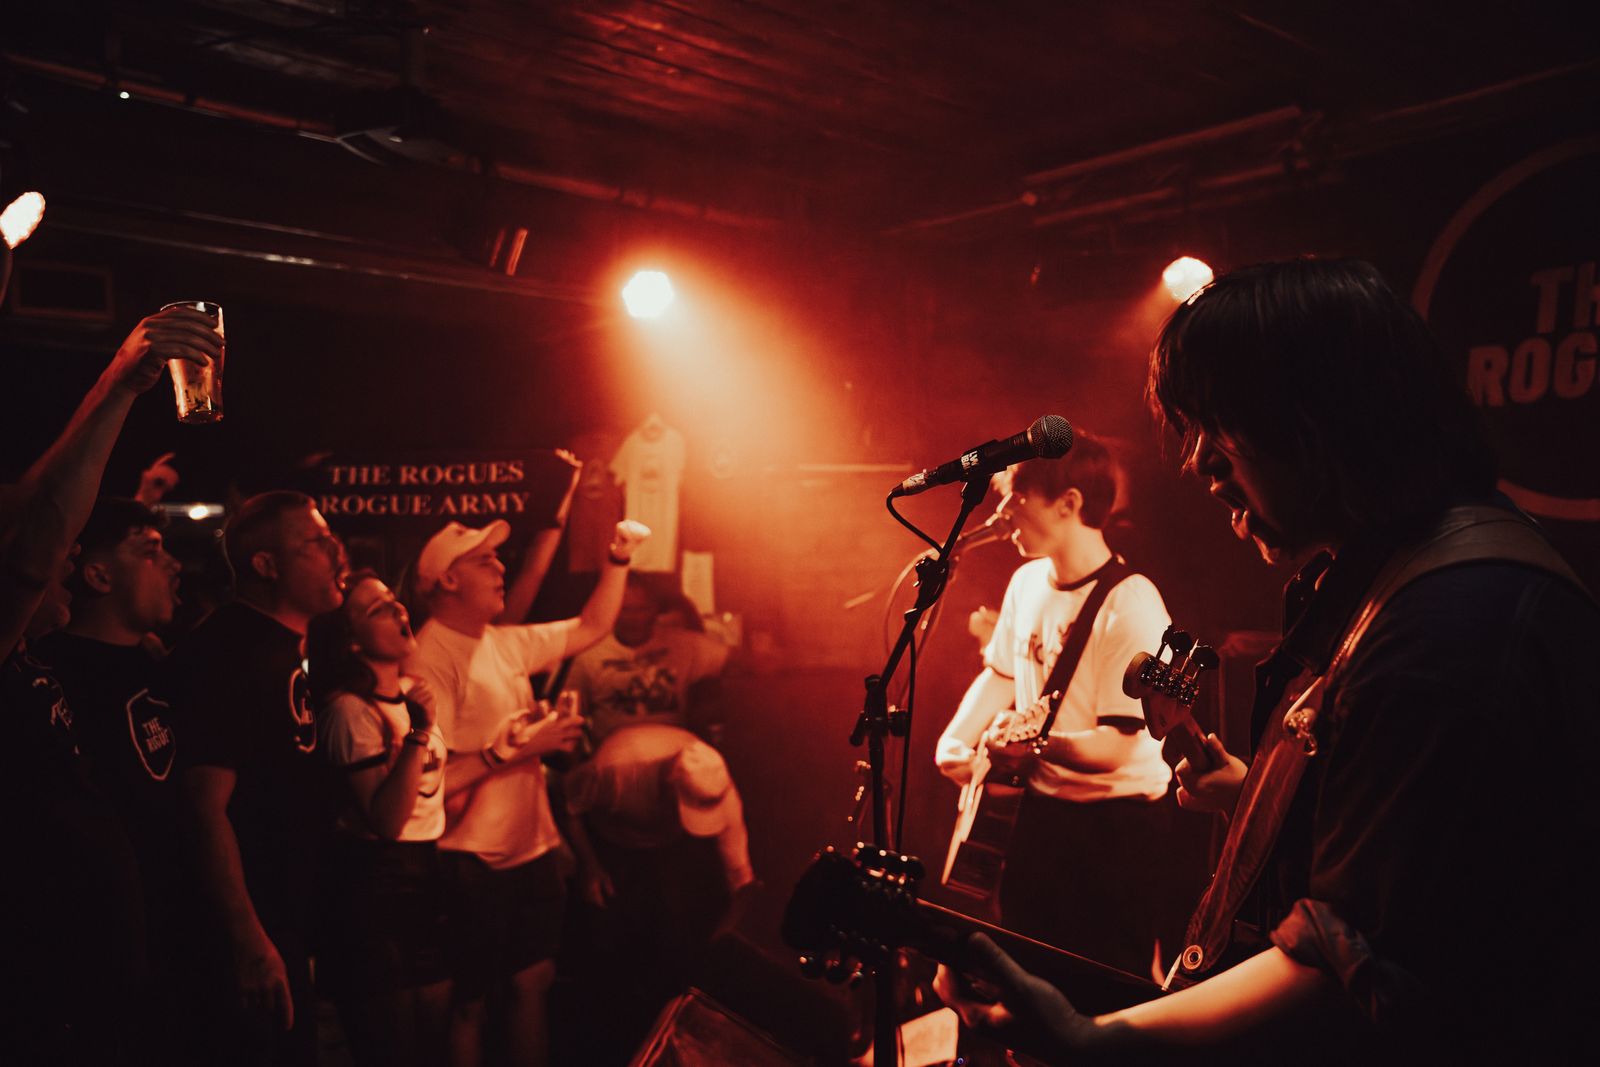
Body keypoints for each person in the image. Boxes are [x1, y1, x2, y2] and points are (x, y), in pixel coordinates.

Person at [934, 258, 1600, 1063]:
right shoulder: (1399, 581)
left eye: (1221, 428)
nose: (1200, 466)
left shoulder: (1453, 626)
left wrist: (1095, 1041)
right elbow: (1416, 852)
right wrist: (1249, 791)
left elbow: (1350, 960)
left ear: (1324, 419)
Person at [0, 300, 220, 1063]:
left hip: (109, 980)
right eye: (64, 555)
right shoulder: (23, 649)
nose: (65, 559)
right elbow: (37, 533)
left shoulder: (43, 660)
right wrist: (118, 384)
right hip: (48, 996)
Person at [405, 515, 648, 1067]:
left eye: (497, 557)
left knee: (532, 982)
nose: (500, 568)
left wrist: (618, 557)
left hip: (530, 850)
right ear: (447, 580)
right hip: (472, 860)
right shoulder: (430, 659)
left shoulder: (500, 642)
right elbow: (428, 783)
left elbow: (591, 627)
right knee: (470, 1003)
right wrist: (519, 747)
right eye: (483, 560)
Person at [934, 434, 1174, 977]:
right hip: (1038, 809)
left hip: (1115, 824)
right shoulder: (1025, 583)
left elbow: (1116, 748)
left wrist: (1029, 744)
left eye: (1016, 498)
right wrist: (955, 740)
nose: (1002, 514)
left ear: (1068, 503)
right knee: (1026, 971)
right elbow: (1002, 673)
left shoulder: (1130, 602)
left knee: (1104, 983)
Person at [164, 490, 347, 1066]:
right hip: (241, 940)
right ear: (266, 565)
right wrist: (248, 939)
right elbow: (204, 806)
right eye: (317, 542)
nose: (336, 553)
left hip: (278, 926)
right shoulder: (229, 652)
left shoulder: (277, 648)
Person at [306, 572, 452, 1067]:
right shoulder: (348, 712)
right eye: (377, 609)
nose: (397, 609)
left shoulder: (413, 694)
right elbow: (387, 820)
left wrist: (502, 754)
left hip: (427, 876)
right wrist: (418, 734)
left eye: (393, 599)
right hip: (375, 887)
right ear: (351, 641)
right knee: (394, 1049)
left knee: (434, 1044)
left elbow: (427, 789)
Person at [562, 722, 752, 1061]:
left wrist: (723, 942)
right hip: (609, 842)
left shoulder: (717, 786)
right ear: (669, 781)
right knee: (605, 943)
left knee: (671, 937)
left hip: (665, 846)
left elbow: (741, 878)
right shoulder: (614, 770)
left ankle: (654, 1027)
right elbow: (569, 807)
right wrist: (589, 866)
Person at [564, 572, 732, 745]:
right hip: (614, 752)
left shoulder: (684, 644)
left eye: (641, 609)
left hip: (674, 748)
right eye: (625, 609)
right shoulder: (589, 653)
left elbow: (735, 661)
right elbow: (570, 711)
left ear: (656, 610)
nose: (633, 618)